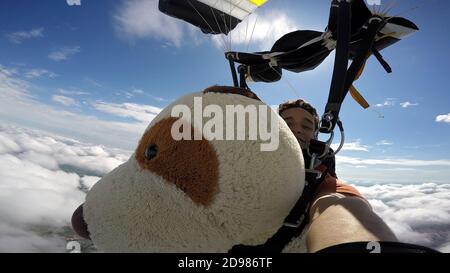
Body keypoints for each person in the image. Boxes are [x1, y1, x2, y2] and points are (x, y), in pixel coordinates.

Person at [278, 99, 399, 252]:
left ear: (315, 135)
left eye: (307, 126)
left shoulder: (322, 178)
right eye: (287, 124)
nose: (297, 130)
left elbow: (335, 201)